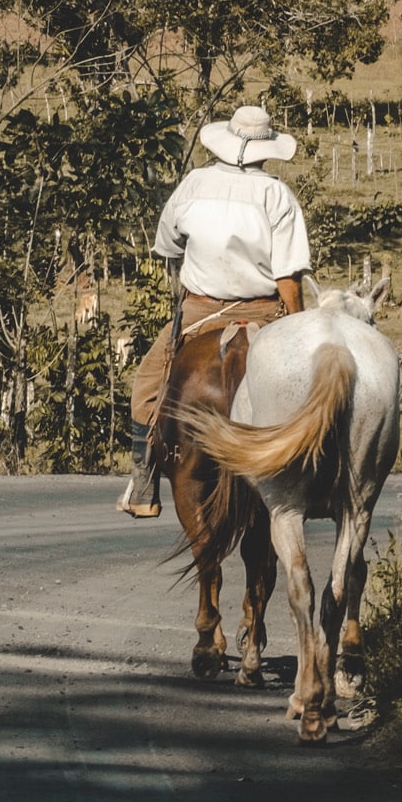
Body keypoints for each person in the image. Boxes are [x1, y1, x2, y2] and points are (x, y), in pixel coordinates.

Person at [118, 103, 311, 517]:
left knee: (147, 386)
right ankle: (312, 476)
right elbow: (288, 278)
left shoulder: (193, 183)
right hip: (264, 313)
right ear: (266, 150)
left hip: (198, 311)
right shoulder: (277, 194)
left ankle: (143, 481)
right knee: (308, 391)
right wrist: (299, 326)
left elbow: (168, 245)